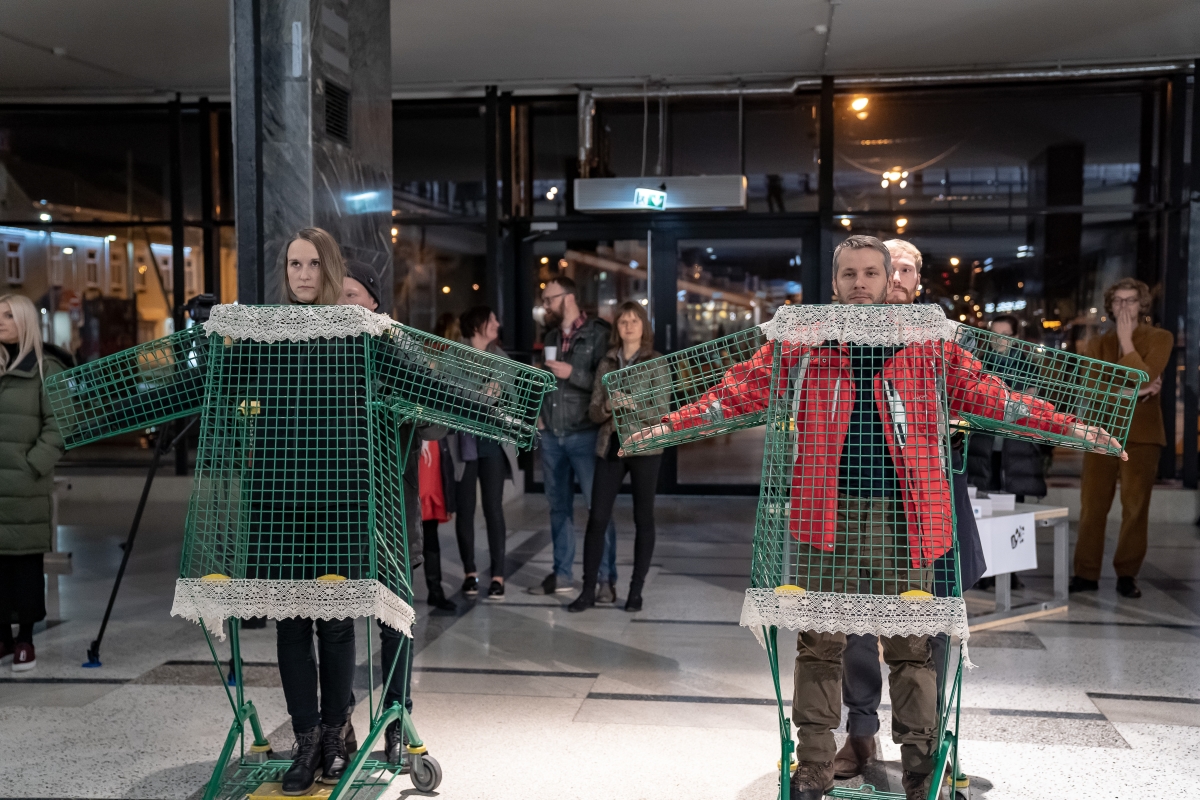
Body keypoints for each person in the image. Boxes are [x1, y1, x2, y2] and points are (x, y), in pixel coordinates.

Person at [625, 235, 1122, 800]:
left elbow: (994, 397)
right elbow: (736, 393)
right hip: (824, 514)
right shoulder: (805, 341)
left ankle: (922, 771)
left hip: (906, 516)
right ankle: (812, 764)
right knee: (820, 642)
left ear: (891, 282)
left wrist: (1073, 428)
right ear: (833, 283)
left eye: (870, 273)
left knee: (913, 646)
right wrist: (668, 428)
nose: (859, 283)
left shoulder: (929, 345)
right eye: (848, 274)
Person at [830, 240, 988, 781]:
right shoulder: (841, 333)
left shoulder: (940, 336)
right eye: (883, 269)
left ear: (917, 280)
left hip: (930, 506)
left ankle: (937, 741)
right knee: (853, 630)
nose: (892, 278)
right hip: (860, 510)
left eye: (903, 269)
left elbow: (983, 398)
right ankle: (861, 734)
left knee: (932, 630)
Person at [273, 228, 358, 794]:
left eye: (311, 264)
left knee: (334, 622)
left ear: (330, 269)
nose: (301, 274)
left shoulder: (356, 334)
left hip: (339, 498)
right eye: (293, 264)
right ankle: (305, 737)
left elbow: (414, 382)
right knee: (290, 622)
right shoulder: (269, 334)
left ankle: (335, 733)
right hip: (280, 499)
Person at [1071, 278, 1172, 599]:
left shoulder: (1161, 338)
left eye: (1131, 301)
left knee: (1136, 507)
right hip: (1100, 432)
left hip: (1143, 436)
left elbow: (1150, 375)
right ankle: (1086, 573)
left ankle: (1127, 574)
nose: (1124, 307)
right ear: (1110, 306)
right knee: (1092, 506)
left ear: (1142, 305)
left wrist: (1128, 344)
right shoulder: (1097, 344)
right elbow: (1092, 390)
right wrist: (1136, 391)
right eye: (1118, 301)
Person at [568, 301, 668, 613]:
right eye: (623, 321)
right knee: (597, 517)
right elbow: (595, 410)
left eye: (634, 321)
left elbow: (663, 411)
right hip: (610, 445)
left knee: (643, 518)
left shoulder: (656, 362)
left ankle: (635, 591)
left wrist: (634, 405)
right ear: (618, 328)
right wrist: (610, 406)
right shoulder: (607, 362)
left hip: (645, 447)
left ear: (643, 326)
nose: (628, 326)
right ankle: (587, 590)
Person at [530, 276, 617, 597]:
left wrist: (573, 374)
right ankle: (562, 574)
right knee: (558, 508)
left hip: (585, 433)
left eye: (549, 299)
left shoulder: (599, 334)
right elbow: (546, 381)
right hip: (553, 434)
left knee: (599, 509)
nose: (545, 306)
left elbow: (607, 383)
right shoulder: (551, 334)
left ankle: (606, 579)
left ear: (567, 298)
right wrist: (539, 414)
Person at [0, 294, 71, 673]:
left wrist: (32, 465)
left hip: (25, 486)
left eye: (9, 316)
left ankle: (26, 638)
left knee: (25, 566)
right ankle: (3, 638)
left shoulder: (48, 370)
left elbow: (59, 426)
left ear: (26, 321)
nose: (1, 322)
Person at [452, 305, 519, 601]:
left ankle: (498, 576)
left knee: (494, 508)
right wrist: (481, 396)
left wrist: (501, 397)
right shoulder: (453, 355)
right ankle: (469, 573)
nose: (498, 324)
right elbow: (447, 393)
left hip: (493, 442)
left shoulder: (503, 360)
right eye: (492, 320)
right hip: (462, 443)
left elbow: (515, 404)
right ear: (478, 324)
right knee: (465, 510)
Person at [966, 314, 1048, 504]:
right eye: (994, 334)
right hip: (983, 447)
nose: (997, 340)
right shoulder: (980, 365)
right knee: (983, 504)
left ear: (1015, 337)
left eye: (1004, 334)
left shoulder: (1028, 367)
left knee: (1013, 508)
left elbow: (1029, 405)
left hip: (1015, 450)